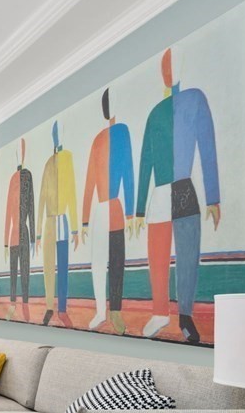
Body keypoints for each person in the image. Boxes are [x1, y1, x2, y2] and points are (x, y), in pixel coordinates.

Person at [135, 48, 220, 344]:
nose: (169, 70)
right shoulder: (155, 113)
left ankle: (185, 315)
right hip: (159, 192)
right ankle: (160, 311)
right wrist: (137, 210)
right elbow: (145, 162)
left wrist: (213, 197)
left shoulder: (195, 99)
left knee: (187, 256)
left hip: (183, 187)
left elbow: (207, 146)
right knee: (157, 257)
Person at [81, 88, 134, 334]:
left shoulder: (122, 133)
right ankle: (101, 310)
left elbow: (130, 173)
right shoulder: (97, 140)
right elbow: (89, 182)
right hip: (99, 211)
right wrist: (82, 222)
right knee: (98, 263)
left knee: (117, 261)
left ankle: (115, 312)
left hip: (115, 206)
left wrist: (134, 211)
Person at [37, 121, 79, 327]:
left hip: (63, 219)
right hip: (49, 222)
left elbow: (72, 194)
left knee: (63, 266)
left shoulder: (68, 158)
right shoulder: (47, 164)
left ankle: (62, 307)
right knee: (47, 268)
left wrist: (76, 228)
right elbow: (41, 200)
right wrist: (37, 233)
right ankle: (49, 307)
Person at [3, 138, 36, 322]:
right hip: (14, 233)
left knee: (25, 270)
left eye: (21, 150)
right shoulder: (12, 180)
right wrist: (5, 243)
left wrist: (33, 235)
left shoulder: (28, 176)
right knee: (13, 272)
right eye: (18, 151)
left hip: (23, 231)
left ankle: (25, 304)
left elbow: (31, 205)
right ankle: (13, 304)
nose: (20, 154)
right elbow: (8, 211)